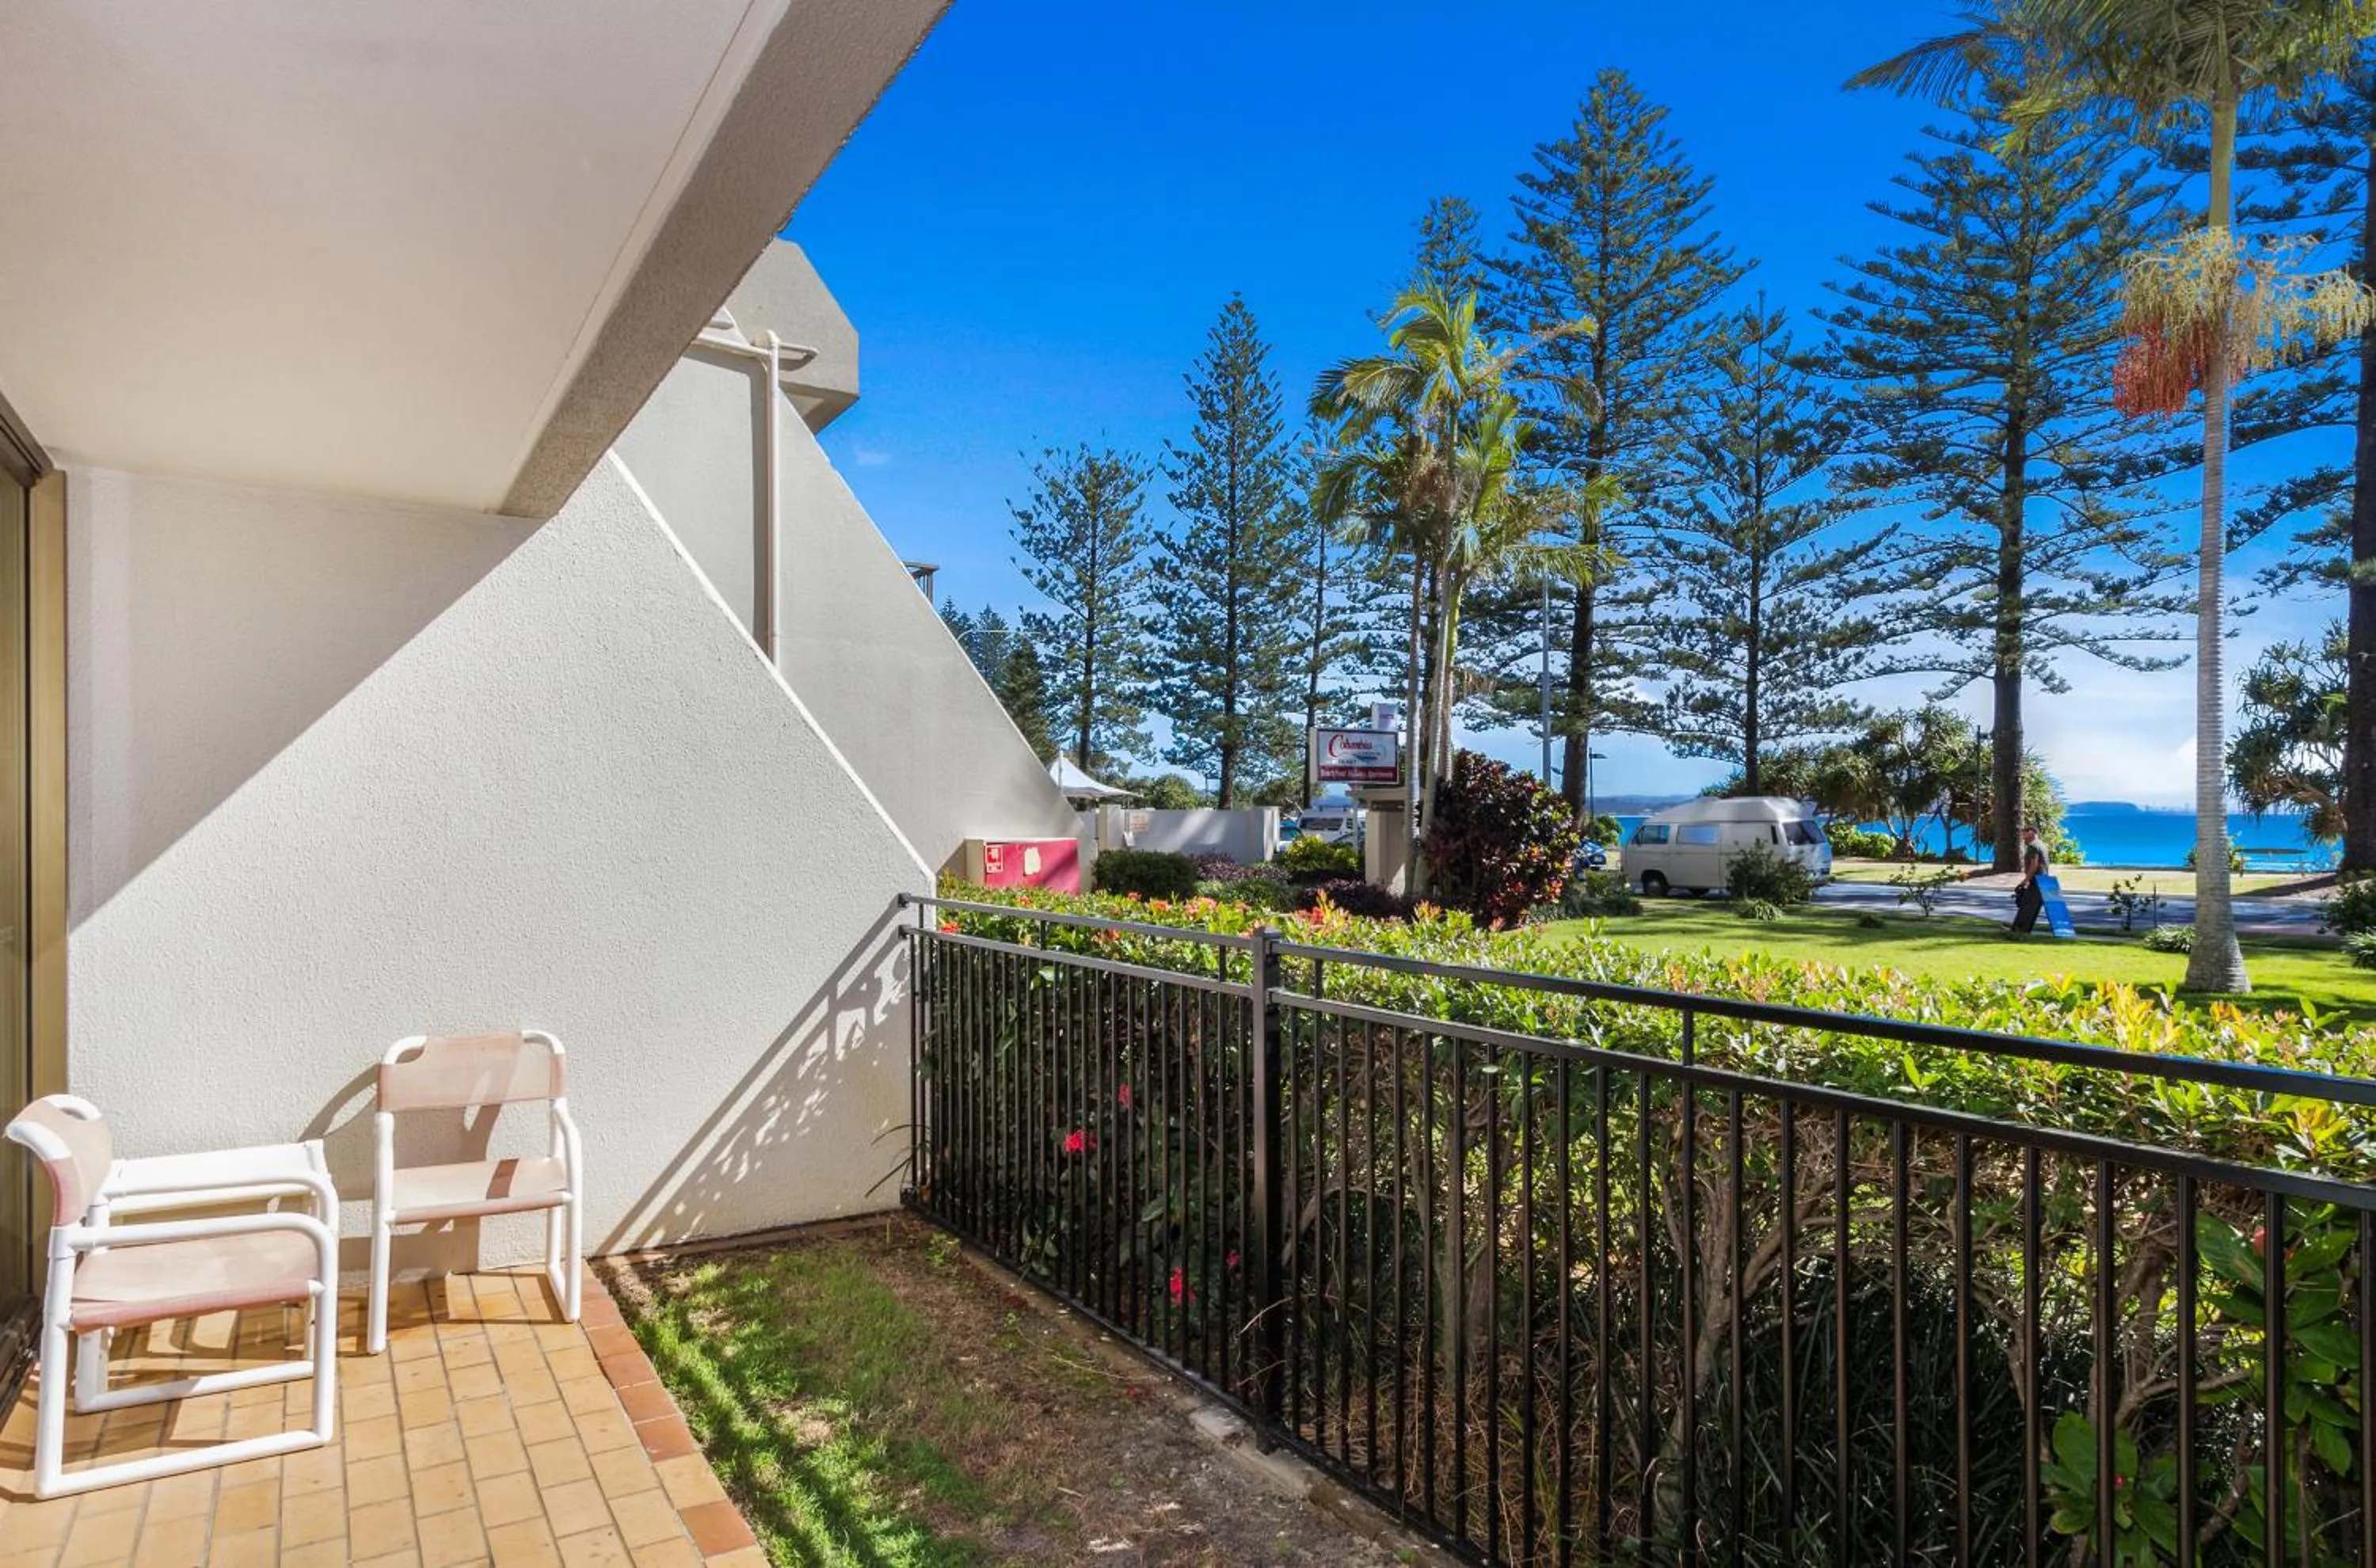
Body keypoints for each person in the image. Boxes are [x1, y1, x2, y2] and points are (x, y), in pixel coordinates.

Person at [2010, 842, 2047, 935]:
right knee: (2033, 907)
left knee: (2027, 906)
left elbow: (2034, 864)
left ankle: (2019, 930)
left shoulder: (2033, 846)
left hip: (2035, 881)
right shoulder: (2042, 845)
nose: (2023, 837)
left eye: (2025, 833)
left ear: (2031, 832)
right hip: (2043, 880)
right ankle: (2025, 930)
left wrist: (2026, 880)